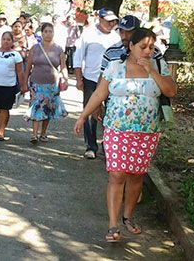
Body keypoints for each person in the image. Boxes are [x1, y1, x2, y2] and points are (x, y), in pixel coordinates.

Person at [74, 28, 176, 243]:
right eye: (143, 47)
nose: (147, 51)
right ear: (131, 46)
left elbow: (171, 91)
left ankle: (128, 216)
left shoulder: (158, 66)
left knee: (136, 176)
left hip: (146, 132)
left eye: (151, 47)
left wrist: (152, 72)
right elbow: (100, 93)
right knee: (117, 174)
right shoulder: (115, 67)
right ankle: (113, 225)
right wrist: (83, 116)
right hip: (117, 130)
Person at [73, 8, 120, 159]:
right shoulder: (88, 33)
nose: (111, 24)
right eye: (108, 21)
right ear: (100, 19)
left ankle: (108, 146)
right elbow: (78, 56)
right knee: (89, 112)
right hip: (91, 79)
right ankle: (91, 145)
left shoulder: (116, 37)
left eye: (113, 21)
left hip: (111, 81)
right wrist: (79, 78)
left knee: (110, 112)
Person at [24, 22, 68, 143]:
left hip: (51, 84)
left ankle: (43, 133)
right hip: (36, 83)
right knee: (36, 107)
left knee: (48, 108)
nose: (48, 34)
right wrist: (24, 82)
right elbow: (28, 67)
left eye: (50, 31)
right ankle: (34, 134)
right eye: (46, 31)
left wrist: (65, 79)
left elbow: (63, 67)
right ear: (42, 33)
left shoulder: (59, 49)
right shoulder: (35, 48)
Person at [0, 32, 28, 141]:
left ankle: (1, 131)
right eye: (4, 39)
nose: (6, 41)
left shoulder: (16, 55)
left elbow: (20, 72)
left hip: (8, 86)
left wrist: (23, 86)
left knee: (4, 108)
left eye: (8, 39)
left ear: (12, 41)